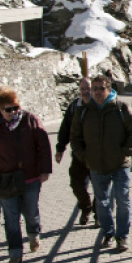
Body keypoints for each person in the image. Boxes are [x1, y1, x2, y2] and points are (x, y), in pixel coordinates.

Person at [0, 88, 52, 263]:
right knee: (11, 218)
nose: (13, 112)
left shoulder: (30, 120)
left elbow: (43, 146)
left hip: (31, 177)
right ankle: (15, 252)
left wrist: (45, 170)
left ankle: (34, 234)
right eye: (8, 109)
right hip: (6, 180)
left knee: (31, 212)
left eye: (15, 108)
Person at [71, 74, 132, 252]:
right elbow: (75, 137)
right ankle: (108, 233)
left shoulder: (120, 108)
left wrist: (125, 152)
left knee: (123, 200)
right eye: (94, 89)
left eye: (101, 88)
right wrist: (84, 157)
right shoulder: (84, 111)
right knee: (102, 203)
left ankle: (122, 236)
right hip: (96, 165)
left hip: (120, 165)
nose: (97, 92)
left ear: (109, 89)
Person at [55, 78, 94, 226]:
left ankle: (98, 213)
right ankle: (86, 207)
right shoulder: (74, 107)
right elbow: (65, 128)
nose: (85, 91)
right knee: (76, 183)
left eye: (88, 88)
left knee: (100, 185)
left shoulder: (99, 106)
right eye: (83, 88)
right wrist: (60, 148)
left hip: (97, 154)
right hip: (79, 154)